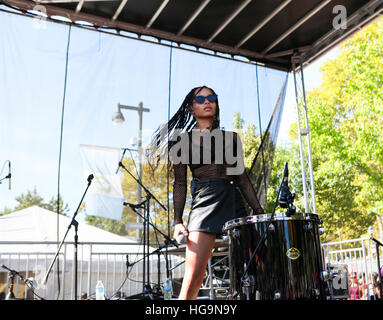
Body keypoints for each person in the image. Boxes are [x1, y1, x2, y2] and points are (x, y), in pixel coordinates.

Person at [148, 85, 264, 300]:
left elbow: (242, 178)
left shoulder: (230, 138)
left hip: (233, 199)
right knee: (193, 279)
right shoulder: (181, 141)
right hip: (205, 201)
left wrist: (259, 212)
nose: (207, 102)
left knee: (259, 270)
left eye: (211, 97)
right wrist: (177, 221)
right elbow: (180, 183)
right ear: (191, 108)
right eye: (200, 100)